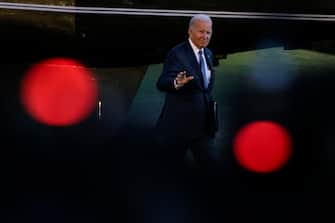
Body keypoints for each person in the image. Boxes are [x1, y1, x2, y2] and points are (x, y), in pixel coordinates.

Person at [155, 14, 218, 173]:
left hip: (203, 128)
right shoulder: (177, 53)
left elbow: (205, 89)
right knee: (169, 174)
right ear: (190, 32)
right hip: (178, 128)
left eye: (208, 32)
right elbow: (162, 82)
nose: (205, 36)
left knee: (212, 169)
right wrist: (177, 82)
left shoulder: (208, 53)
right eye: (201, 32)